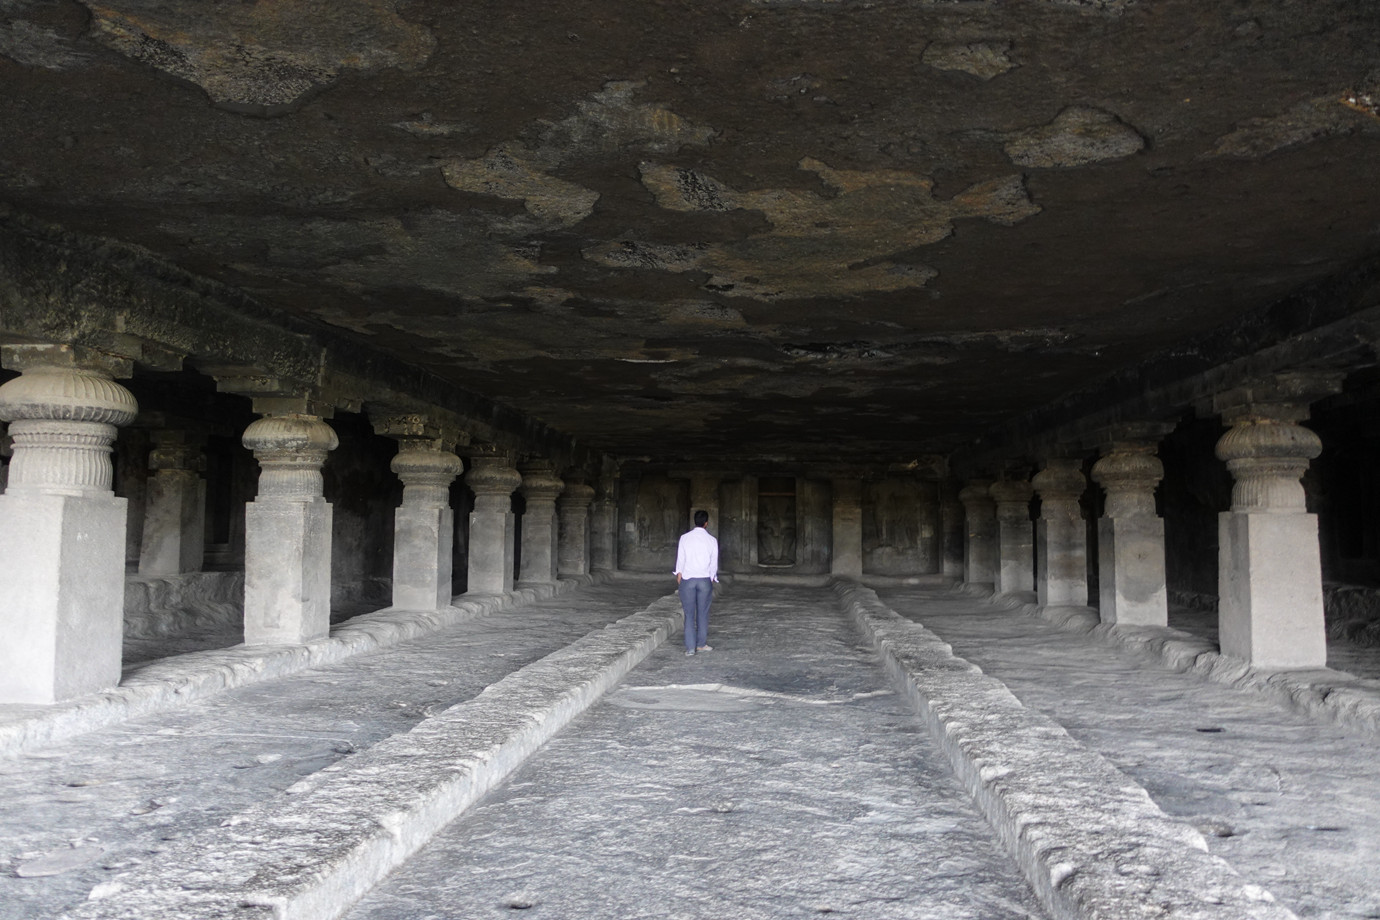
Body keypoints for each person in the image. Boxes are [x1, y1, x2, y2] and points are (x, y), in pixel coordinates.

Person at [674, 509, 718, 656]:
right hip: (704, 580)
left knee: (688, 614)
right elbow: (713, 563)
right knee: (703, 613)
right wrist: (711, 577)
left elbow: (681, 559)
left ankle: (690, 648)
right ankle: (701, 644)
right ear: (706, 523)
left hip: (688, 580)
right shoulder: (712, 540)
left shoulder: (684, 538)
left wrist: (679, 574)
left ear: (695, 521)